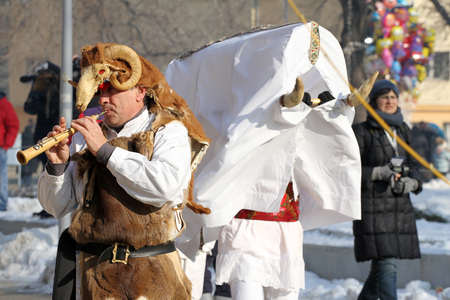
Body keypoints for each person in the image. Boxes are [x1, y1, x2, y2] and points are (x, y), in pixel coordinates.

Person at [165, 22, 375, 300]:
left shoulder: (304, 126)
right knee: (246, 294)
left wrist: (339, 104)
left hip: (285, 227)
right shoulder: (251, 124)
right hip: (245, 225)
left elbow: (324, 131)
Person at [37, 43, 209, 299]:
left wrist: (106, 152)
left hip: (154, 272)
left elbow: (162, 186)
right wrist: (57, 166)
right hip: (96, 274)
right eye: (101, 91)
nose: (103, 100)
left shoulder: (168, 131)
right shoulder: (88, 137)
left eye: (113, 91)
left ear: (140, 91)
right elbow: (58, 207)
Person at [352, 79, 423, 300]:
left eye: (393, 97)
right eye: (385, 97)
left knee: (380, 269)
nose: (390, 101)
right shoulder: (361, 131)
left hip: (399, 209)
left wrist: (412, 182)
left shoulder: (403, 130)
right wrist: (377, 173)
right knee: (387, 265)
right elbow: (348, 170)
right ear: (374, 102)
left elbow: (416, 165)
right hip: (372, 209)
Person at [0, 90, 20, 211]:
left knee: (1, 177)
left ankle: (1, 205)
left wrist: (6, 144)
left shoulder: (4, 105)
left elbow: (13, 125)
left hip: (0, 148)